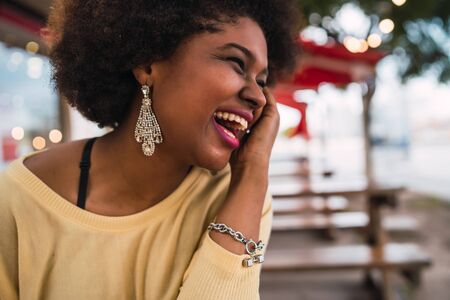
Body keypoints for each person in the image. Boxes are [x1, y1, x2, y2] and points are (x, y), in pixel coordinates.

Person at [0, 1, 299, 299]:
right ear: (147, 65)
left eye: (262, 81)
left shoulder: (241, 196)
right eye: (237, 63)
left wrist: (253, 171)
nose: (258, 96)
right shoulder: (19, 200)